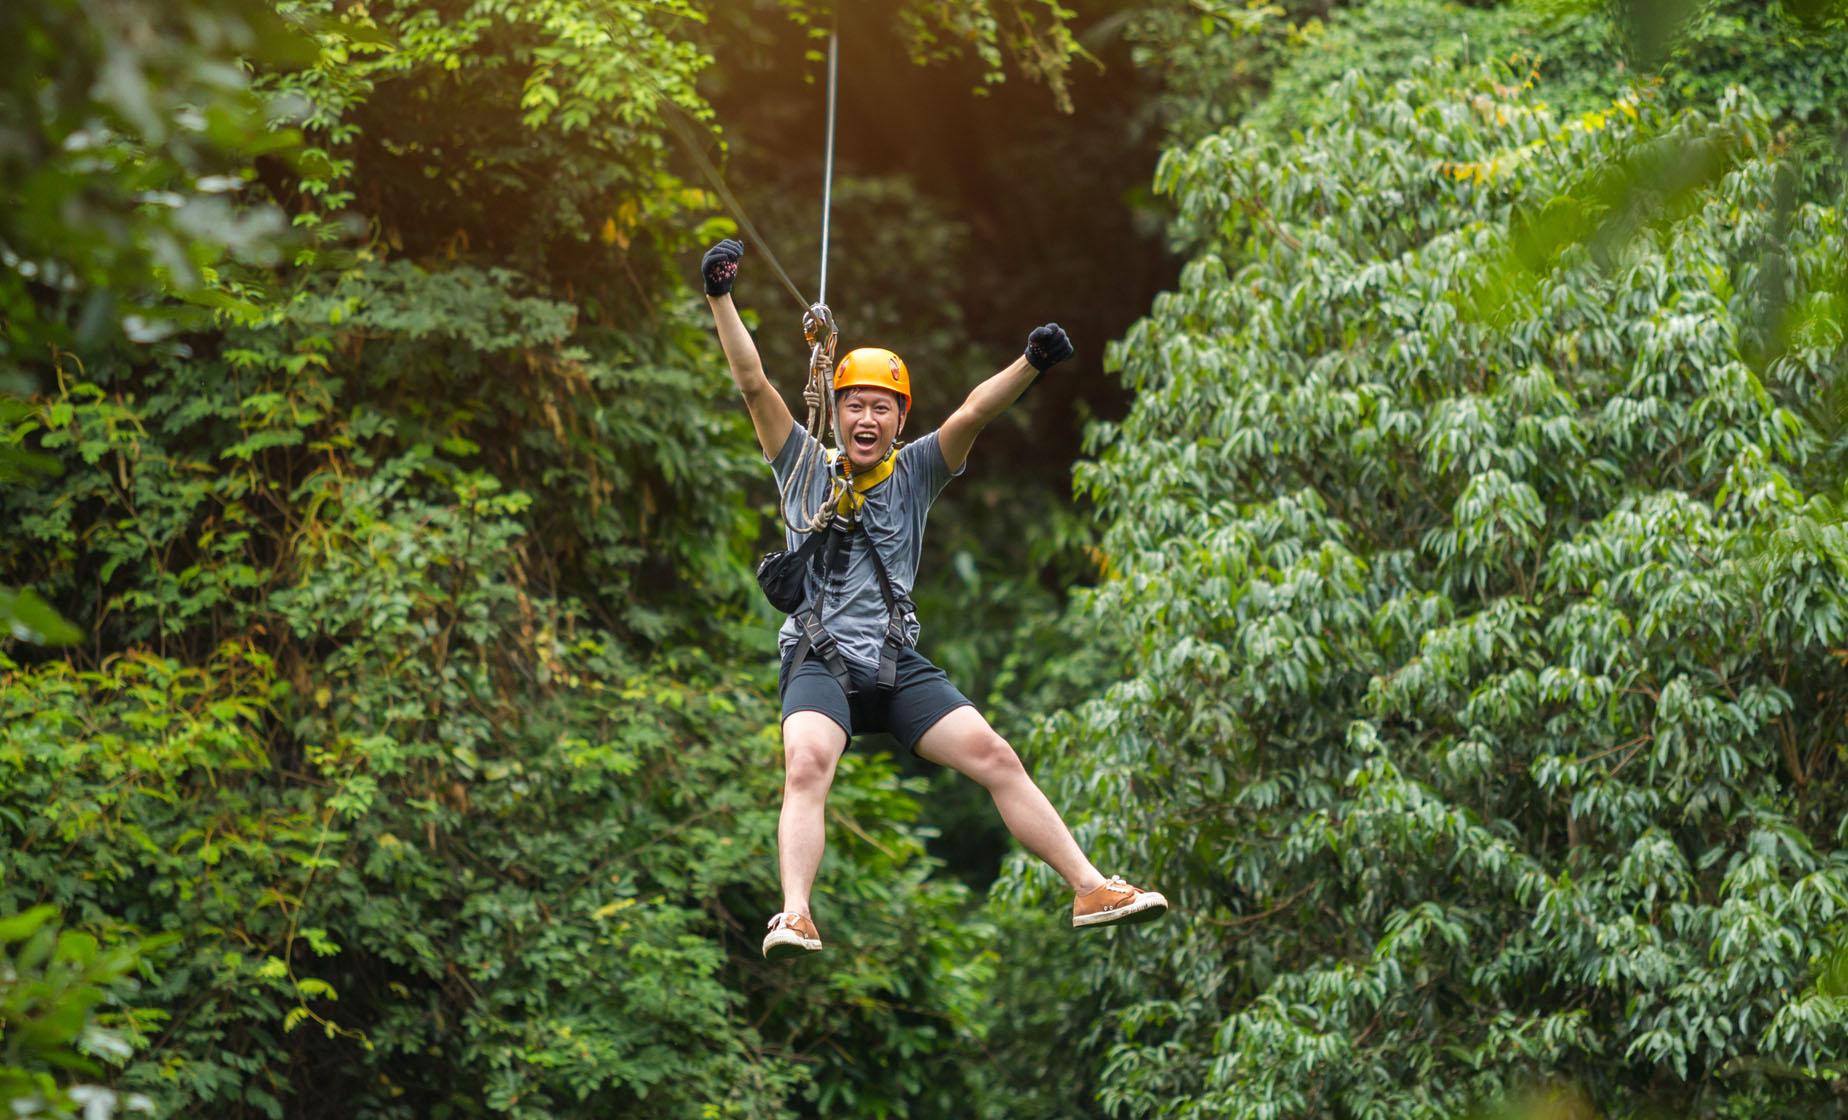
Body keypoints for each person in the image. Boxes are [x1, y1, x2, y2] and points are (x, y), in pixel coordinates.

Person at [698, 237, 1168, 960]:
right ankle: (795, 914)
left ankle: (1089, 886)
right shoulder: (799, 464)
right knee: (806, 764)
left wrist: (1032, 363)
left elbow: (974, 412)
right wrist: (720, 296)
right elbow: (753, 383)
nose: (864, 418)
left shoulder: (916, 470)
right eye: (853, 404)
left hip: (892, 665)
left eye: (880, 408)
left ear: (898, 418)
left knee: (995, 755)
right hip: (819, 659)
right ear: (835, 406)